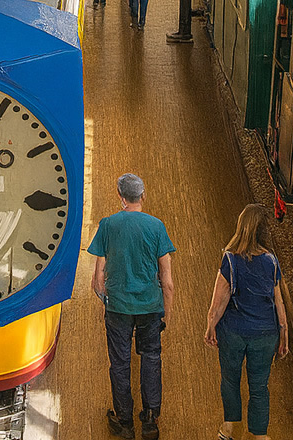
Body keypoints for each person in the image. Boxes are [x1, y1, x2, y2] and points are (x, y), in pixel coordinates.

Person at [88, 172, 175, 439]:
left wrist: (107, 298)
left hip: (118, 309)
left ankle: (124, 421)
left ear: (120, 197)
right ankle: (150, 419)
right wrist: (166, 312)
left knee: (120, 362)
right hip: (150, 306)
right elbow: (167, 279)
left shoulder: (108, 224)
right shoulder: (156, 226)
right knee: (151, 357)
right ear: (143, 196)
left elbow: (97, 279)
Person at [205, 204, 290, 440]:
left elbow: (219, 301)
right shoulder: (271, 262)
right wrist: (284, 335)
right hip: (265, 335)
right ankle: (259, 435)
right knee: (259, 387)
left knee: (231, 379)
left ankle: (231, 427)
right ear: (264, 231)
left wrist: (211, 325)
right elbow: (279, 303)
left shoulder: (230, 260)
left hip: (233, 333)